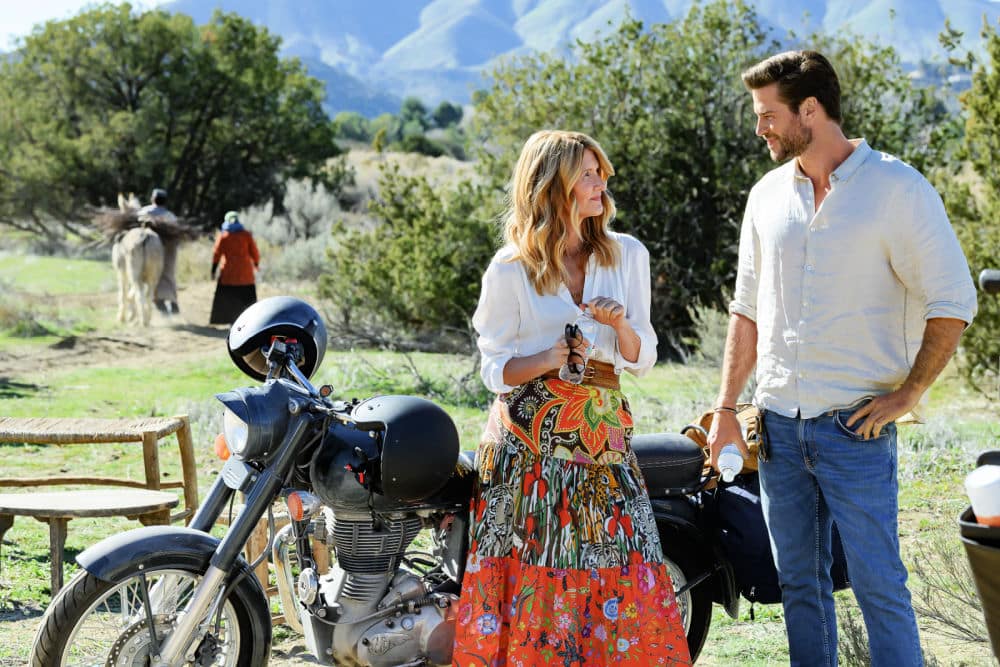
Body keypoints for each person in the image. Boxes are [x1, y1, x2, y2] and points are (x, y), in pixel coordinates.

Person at [707, 50, 978, 667]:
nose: (760, 129)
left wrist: (908, 395)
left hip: (856, 427)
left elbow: (953, 299)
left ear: (810, 109)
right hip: (776, 429)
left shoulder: (897, 189)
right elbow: (745, 310)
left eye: (767, 114)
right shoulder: (766, 197)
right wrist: (726, 407)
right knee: (799, 588)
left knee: (881, 587)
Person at [452, 130, 691, 666]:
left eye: (601, 172)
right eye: (586, 173)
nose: (600, 182)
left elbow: (643, 355)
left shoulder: (627, 254)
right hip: (525, 452)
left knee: (625, 562)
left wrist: (619, 325)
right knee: (534, 577)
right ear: (551, 185)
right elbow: (495, 368)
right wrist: (550, 357)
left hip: (602, 441)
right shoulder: (510, 268)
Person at [137, 187, 183, 315]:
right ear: (165, 201)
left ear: (153, 199)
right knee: (167, 273)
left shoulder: (143, 212)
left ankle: (156, 301)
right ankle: (172, 302)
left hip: (143, 249)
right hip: (167, 248)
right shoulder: (170, 216)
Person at [209, 211, 260, 325]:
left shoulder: (223, 236)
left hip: (228, 275)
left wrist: (213, 270)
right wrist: (256, 264)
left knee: (229, 299)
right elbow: (255, 252)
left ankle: (231, 323)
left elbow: (216, 254)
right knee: (246, 299)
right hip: (246, 275)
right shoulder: (246, 235)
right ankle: (249, 323)